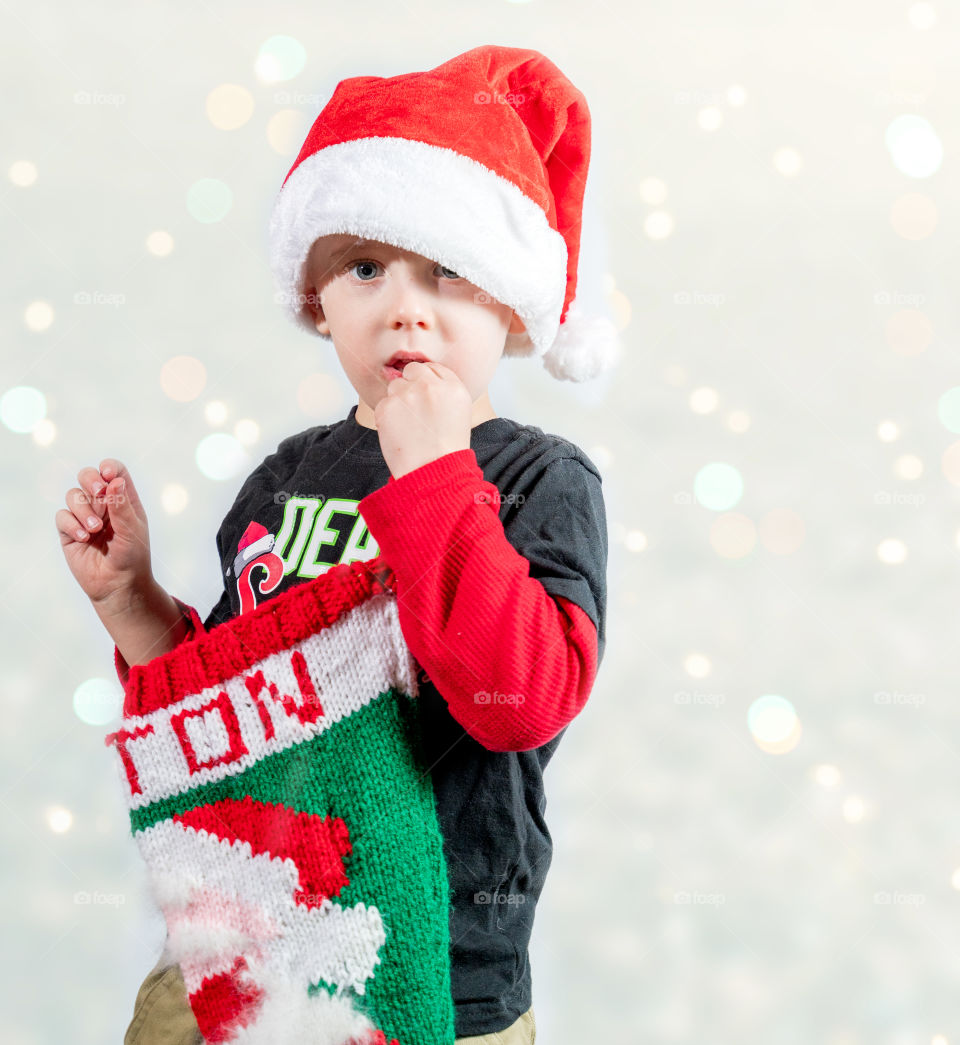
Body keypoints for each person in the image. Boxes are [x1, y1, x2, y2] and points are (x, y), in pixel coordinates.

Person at [56, 44, 617, 1045]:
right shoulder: (286, 478)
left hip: (445, 968)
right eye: (365, 267)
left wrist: (439, 476)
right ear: (319, 304)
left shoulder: (540, 481)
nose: (406, 303)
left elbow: (514, 703)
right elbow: (226, 715)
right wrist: (132, 602)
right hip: (247, 930)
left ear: (511, 299)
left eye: (449, 271)